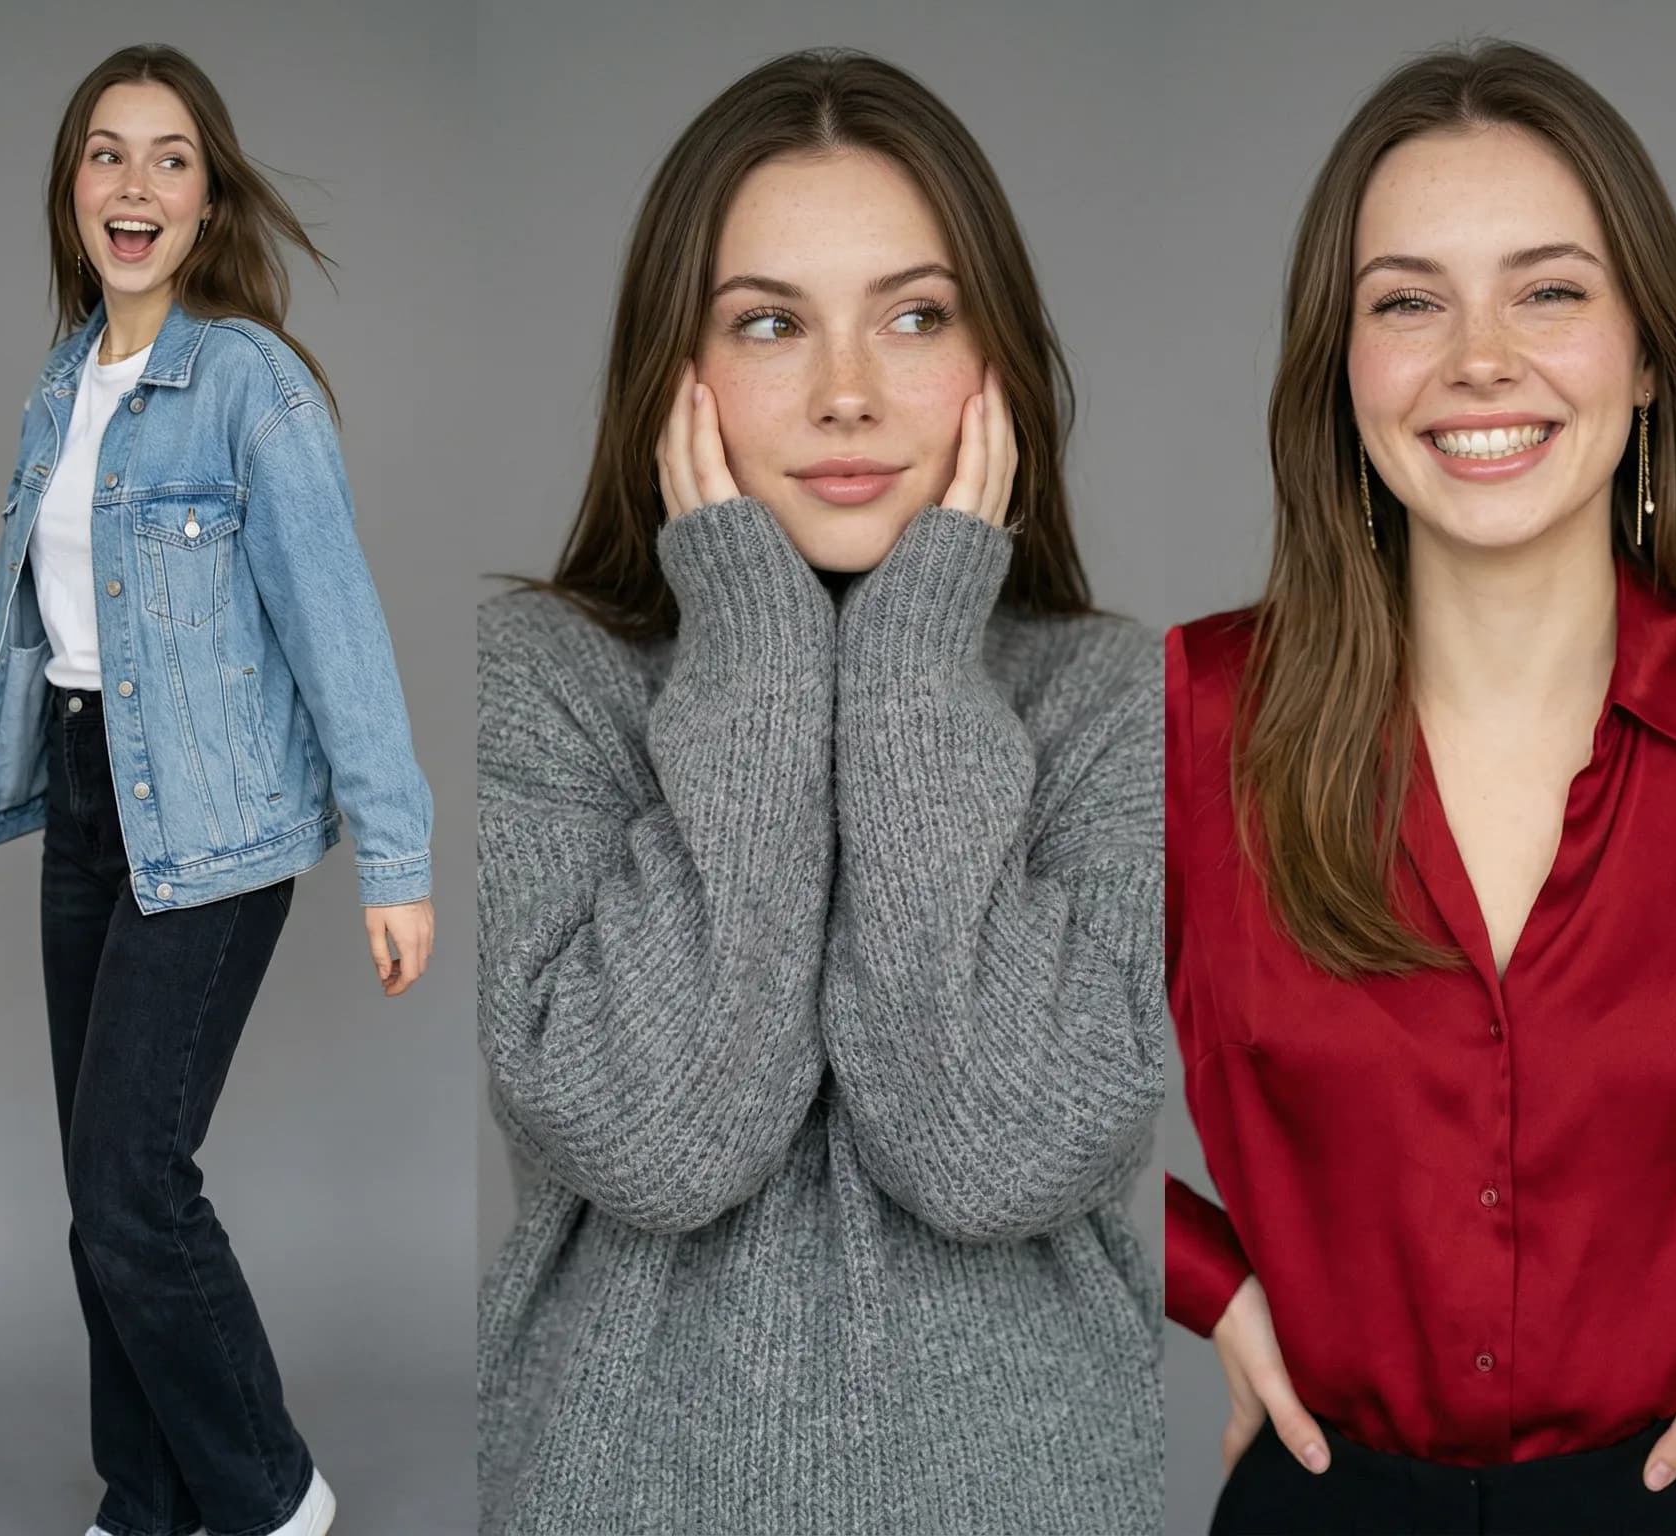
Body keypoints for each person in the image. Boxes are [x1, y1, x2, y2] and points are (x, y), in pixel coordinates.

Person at [476, 48, 1165, 1534]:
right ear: (682, 370)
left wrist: (914, 669)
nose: (848, 395)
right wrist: (759, 652)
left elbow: (996, 1153)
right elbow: (657, 1142)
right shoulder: (543, 680)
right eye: (771, 323)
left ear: (997, 361)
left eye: (915, 317)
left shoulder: (1112, 699)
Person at [1167, 40, 1676, 1535]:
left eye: (1549, 290)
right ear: (1343, 371)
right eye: (1410, 300)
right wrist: (1200, 1284)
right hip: (1320, 1506)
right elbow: (950, 1066)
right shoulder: (1187, 717)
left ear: (1648, 349)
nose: (1481, 357)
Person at [0, 43, 435, 1536]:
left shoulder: (252, 387)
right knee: (97, 1193)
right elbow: (23, 627)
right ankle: (147, 1500)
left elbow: (341, 632)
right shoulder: (58, 391)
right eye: (107, 155)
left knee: (133, 1182)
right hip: (79, 797)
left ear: (209, 197)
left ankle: (271, 1498)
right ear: (72, 192)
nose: (136, 185)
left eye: (170, 157)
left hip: (213, 819)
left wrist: (397, 861)